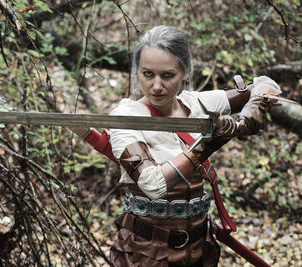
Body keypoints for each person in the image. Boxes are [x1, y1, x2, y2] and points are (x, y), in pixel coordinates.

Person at [108, 25, 281, 267]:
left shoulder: (197, 103)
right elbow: (151, 184)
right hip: (145, 252)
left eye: (167, 75)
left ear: (185, 72)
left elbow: (266, 84)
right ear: (138, 71)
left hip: (200, 248)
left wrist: (256, 104)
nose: (156, 85)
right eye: (148, 74)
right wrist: (206, 145)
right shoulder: (126, 115)